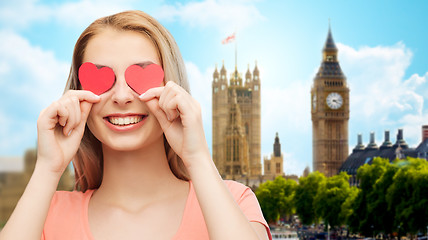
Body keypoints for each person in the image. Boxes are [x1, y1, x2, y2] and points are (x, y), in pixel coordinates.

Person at [0, 10, 271, 240]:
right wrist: (48, 168)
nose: (121, 97)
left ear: (172, 89)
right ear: (77, 93)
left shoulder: (234, 202)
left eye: (141, 77)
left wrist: (197, 158)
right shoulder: (46, 215)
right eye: (101, 79)